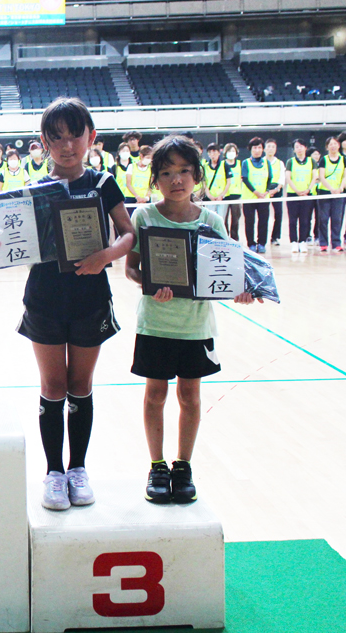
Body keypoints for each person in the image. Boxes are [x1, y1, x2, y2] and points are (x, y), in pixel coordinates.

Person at [0, 98, 135, 511]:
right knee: (53, 387)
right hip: (45, 298)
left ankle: (78, 468)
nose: (67, 145)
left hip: (91, 298)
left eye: (74, 135)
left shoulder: (103, 185)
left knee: (81, 387)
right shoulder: (32, 194)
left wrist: (106, 255)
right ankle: (53, 472)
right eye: (56, 137)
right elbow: (0, 247)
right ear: (43, 143)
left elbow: (128, 234)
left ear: (91, 137)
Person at [124, 134, 259, 505]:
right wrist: (149, 285)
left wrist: (241, 291)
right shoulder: (145, 216)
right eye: (167, 173)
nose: (177, 179)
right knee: (155, 395)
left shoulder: (212, 220)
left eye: (184, 171)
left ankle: (183, 466)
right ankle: (157, 465)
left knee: (190, 396)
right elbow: (131, 269)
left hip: (196, 326)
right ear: (155, 180)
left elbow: (228, 274)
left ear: (197, 176)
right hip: (155, 323)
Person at [241, 137, 275, 253]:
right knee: (249, 221)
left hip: (263, 199)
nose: (257, 150)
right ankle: (251, 243)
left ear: (262, 149)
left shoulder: (266, 162)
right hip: (249, 198)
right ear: (250, 149)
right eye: (255, 148)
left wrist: (266, 191)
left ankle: (261, 243)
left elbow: (270, 178)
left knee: (263, 221)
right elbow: (245, 179)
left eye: (259, 147)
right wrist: (256, 192)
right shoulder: (246, 163)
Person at [316, 136, 345, 253]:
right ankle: (323, 243)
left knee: (337, 219)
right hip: (325, 192)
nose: (333, 146)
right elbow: (321, 176)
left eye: (335, 144)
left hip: (338, 194)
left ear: (339, 145)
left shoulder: (344, 159)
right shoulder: (324, 159)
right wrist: (331, 189)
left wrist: (341, 187)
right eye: (330, 144)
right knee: (323, 218)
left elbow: (344, 175)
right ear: (327, 147)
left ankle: (336, 243)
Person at [285, 138, 315, 253]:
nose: (299, 149)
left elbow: (314, 177)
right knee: (293, 220)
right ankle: (294, 242)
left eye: (301, 146)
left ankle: (302, 241)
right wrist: (296, 190)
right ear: (294, 149)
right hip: (293, 194)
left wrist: (307, 190)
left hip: (306, 195)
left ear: (305, 148)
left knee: (305, 219)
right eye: (297, 146)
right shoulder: (290, 162)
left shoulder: (311, 161)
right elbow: (288, 178)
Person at [202, 143, 231, 220]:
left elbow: (228, 182)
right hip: (210, 199)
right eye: (210, 152)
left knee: (221, 220)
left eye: (214, 151)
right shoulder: (205, 166)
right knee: (210, 220)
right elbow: (204, 183)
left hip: (221, 199)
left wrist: (222, 195)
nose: (212, 154)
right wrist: (209, 195)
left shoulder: (224, 165)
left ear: (219, 152)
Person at [264, 139, 284, 246]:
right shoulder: (261, 162)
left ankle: (275, 237)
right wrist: (267, 191)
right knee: (264, 216)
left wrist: (276, 189)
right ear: (265, 149)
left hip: (276, 190)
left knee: (279, 214)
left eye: (273, 147)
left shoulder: (280, 163)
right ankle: (262, 239)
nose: (271, 149)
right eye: (269, 146)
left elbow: (282, 178)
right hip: (264, 191)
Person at [222, 143, 242, 241]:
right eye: (229, 151)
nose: (231, 153)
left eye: (233, 151)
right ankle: (225, 238)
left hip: (236, 196)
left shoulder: (240, 164)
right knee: (223, 219)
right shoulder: (222, 165)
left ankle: (234, 239)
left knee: (235, 219)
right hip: (225, 196)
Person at [126, 144, 152, 212]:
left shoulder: (151, 169)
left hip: (145, 200)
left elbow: (151, 185)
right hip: (131, 198)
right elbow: (128, 184)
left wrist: (146, 198)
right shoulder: (131, 166)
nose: (149, 160)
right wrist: (137, 197)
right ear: (141, 156)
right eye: (148, 157)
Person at [112, 142, 136, 213]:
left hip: (133, 198)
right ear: (119, 152)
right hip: (120, 198)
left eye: (127, 151)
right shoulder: (114, 167)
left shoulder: (134, 166)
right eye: (123, 151)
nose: (125, 153)